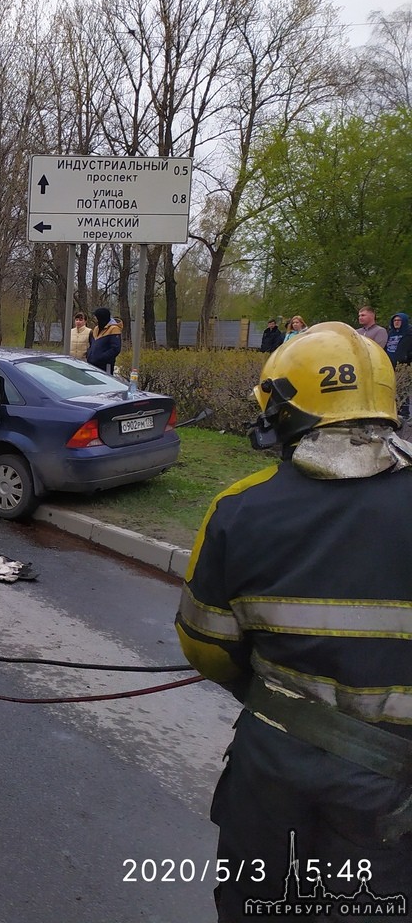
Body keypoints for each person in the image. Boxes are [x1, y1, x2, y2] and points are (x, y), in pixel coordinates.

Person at [175, 322, 412, 921]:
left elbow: (204, 645)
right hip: (395, 799)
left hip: (274, 776)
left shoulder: (238, 511)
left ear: (283, 413)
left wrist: (270, 686)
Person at [86, 307, 122, 374]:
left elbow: (115, 349)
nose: (95, 319)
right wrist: (89, 354)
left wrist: (101, 358)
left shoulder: (114, 329)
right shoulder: (96, 328)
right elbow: (92, 344)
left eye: (96, 317)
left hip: (105, 366)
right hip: (92, 364)